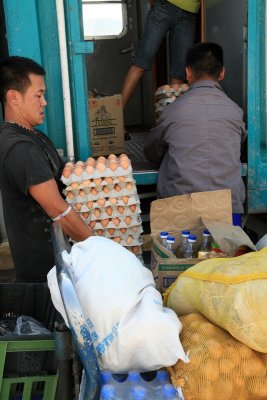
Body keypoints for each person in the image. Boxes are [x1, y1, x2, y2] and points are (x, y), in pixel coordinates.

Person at [0, 56, 93, 283]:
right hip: (47, 275)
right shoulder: (20, 148)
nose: (44, 102)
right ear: (13, 97)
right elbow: (57, 209)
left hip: (59, 263)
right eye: (38, 95)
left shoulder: (33, 136)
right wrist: (98, 247)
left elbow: (63, 181)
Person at [144, 42, 246, 217]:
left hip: (180, 212)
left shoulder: (173, 111)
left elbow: (152, 153)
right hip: (229, 211)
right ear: (222, 73)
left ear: (188, 72)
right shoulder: (235, 111)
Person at [121, 0, 200, 109]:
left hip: (189, 13)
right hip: (164, 6)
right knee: (140, 63)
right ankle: (116, 120)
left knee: (179, 74)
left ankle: (172, 123)